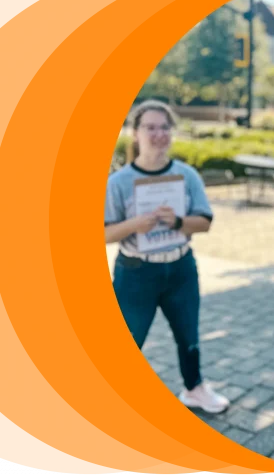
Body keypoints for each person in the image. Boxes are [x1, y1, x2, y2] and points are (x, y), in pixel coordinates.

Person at [104, 99, 230, 414]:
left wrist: (176, 222)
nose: (158, 134)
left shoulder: (186, 176)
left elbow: (205, 221)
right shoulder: (118, 182)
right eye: (150, 127)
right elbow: (104, 233)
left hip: (181, 268)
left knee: (188, 334)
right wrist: (136, 224)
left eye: (164, 127)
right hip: (135, 272)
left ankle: (194, 388)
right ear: (136, 133)